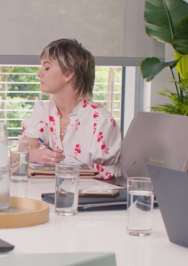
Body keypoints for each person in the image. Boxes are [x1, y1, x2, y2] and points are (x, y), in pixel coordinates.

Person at [19, 38, 121, 179]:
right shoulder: (43, 110)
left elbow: (109, 180)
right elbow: (22, 149)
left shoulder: (102, 122)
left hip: (86, 199)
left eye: (46, 68)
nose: (39, 73)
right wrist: (33, 155)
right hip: (44, 193)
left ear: (68, 74)